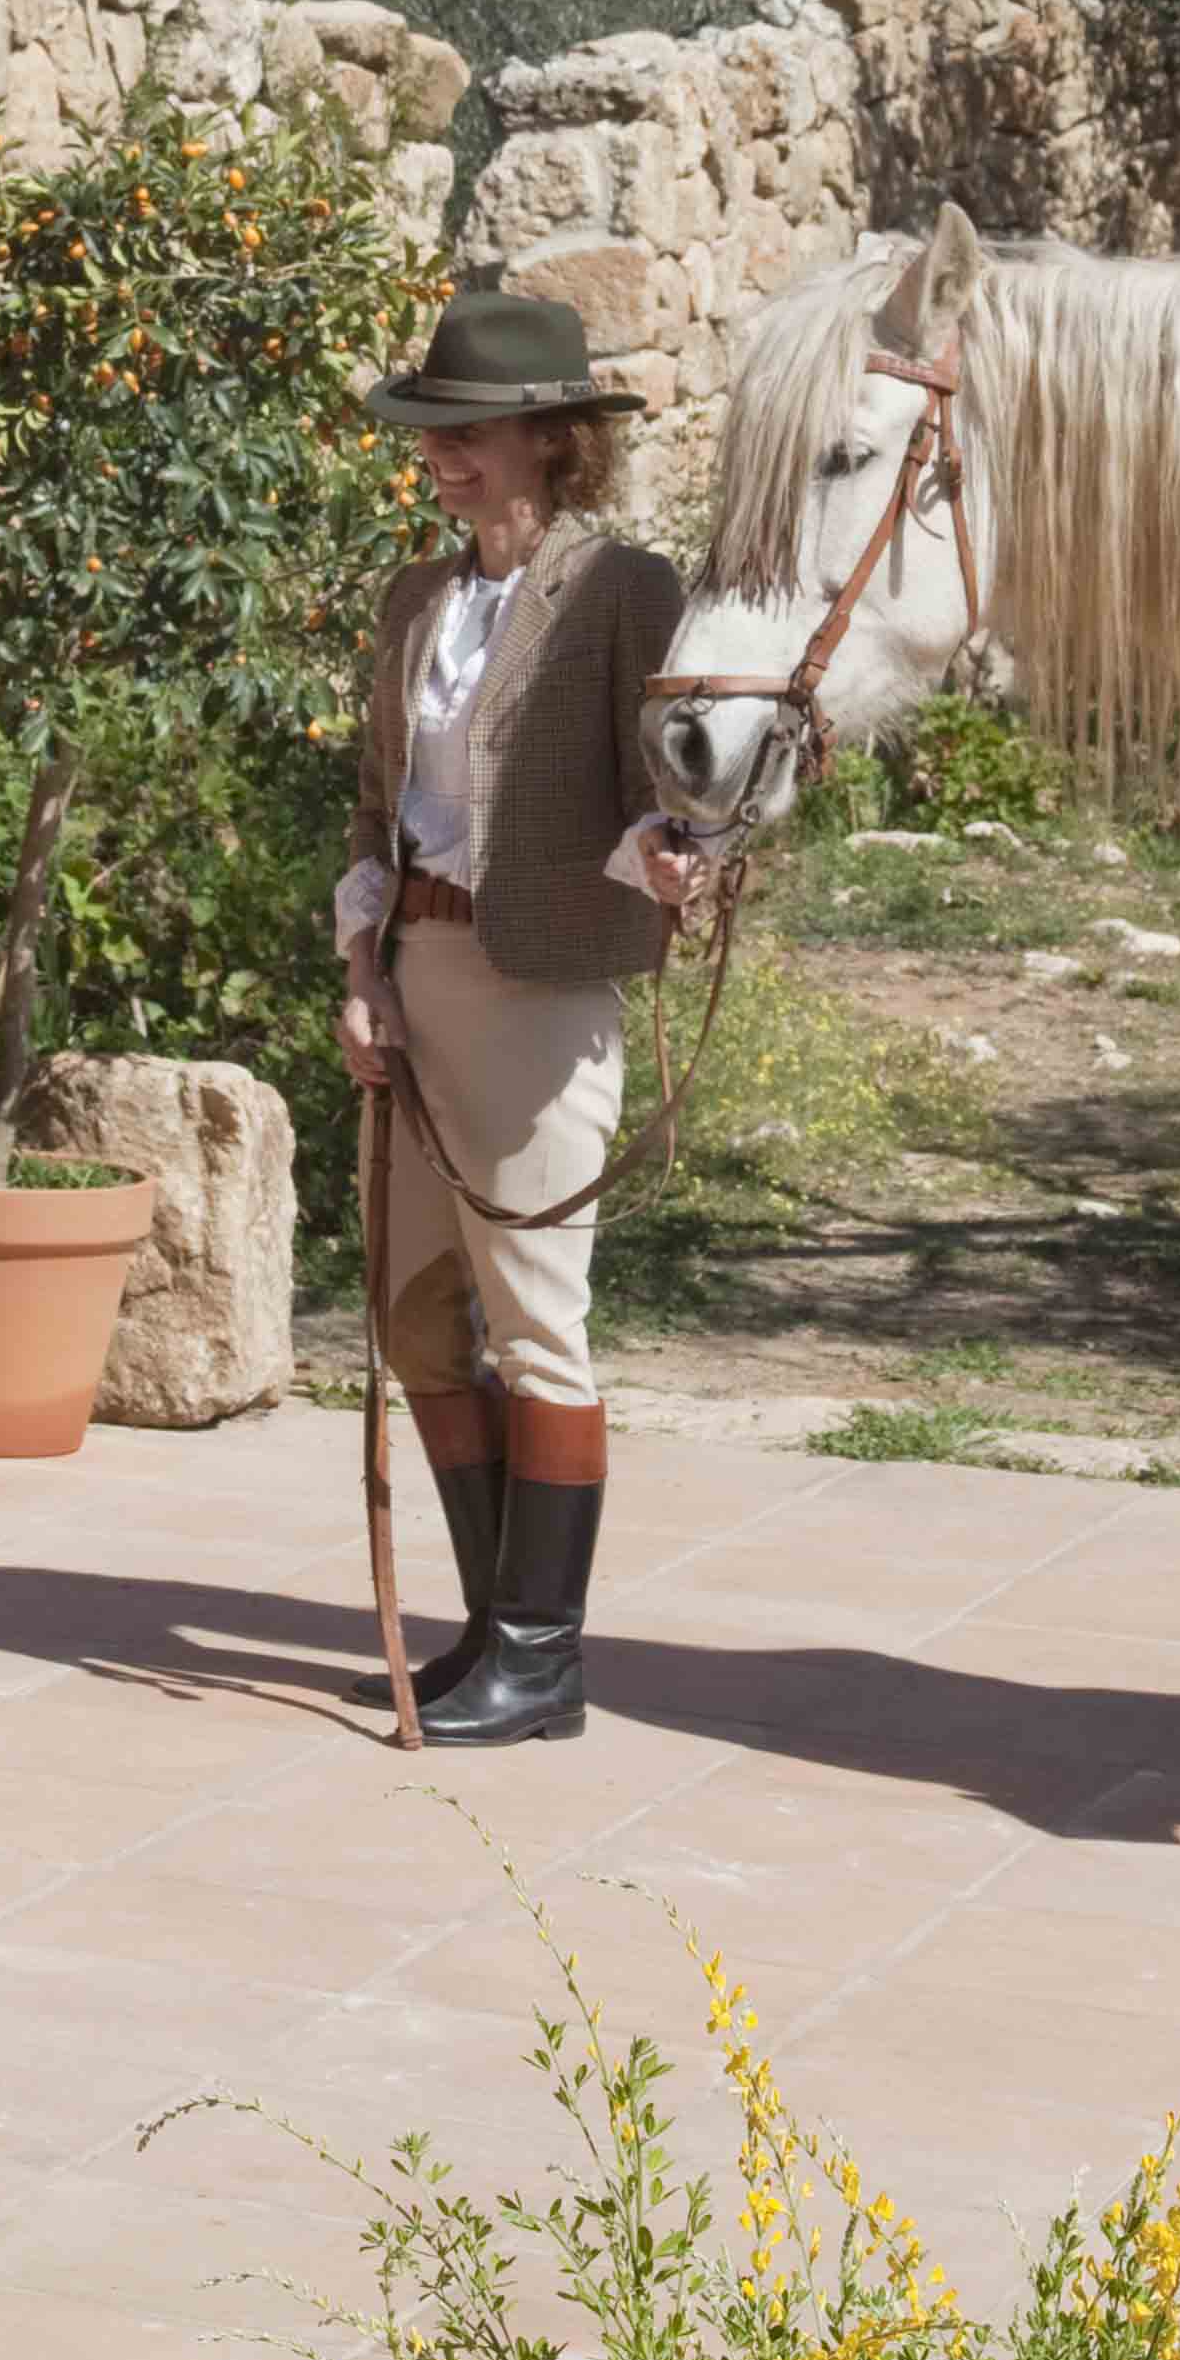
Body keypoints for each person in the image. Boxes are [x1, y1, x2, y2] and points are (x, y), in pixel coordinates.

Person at [336, 294, 700, 1747]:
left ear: (556, 438)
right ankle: (493, 1627)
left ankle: (544, 1661)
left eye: (471, 432)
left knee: (539, 1320)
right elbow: (377, 809)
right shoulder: (413, 599)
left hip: (542, 992)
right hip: (413, 983)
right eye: (435, 433)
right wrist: (361, 971)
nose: (445, 459)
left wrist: (683, 853)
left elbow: (677, 778)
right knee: (420, 1313)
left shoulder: (620, 588)